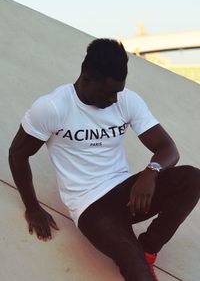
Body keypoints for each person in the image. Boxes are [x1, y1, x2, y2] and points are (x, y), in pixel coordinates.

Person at [9, 38, 200, 281]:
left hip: (126, 192)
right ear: (86, 77)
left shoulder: (125, 100)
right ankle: (139, 259)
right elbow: (18, 154)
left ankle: (149, 248)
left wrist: (151, 172)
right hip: (91, 207)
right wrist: (32, 207)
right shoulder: (52, 107)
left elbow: (167, 148)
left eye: (118, 92)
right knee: (136, 269)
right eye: (108, 93)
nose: (113, 99)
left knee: (192, 178)